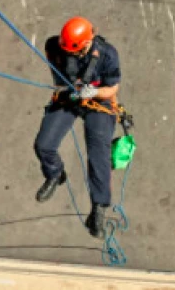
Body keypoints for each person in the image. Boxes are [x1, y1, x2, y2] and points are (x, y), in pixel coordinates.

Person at [33, 16, 121, 239]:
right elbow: (58, 76)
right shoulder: (55, 46)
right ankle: (55, 174)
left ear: (85, 43)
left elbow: (112, 88)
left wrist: (94, 92)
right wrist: (69, 90)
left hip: (97, 102)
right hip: (70, 97)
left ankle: (99, 207)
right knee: (44, 145)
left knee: (98, 154)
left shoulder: (108, 54)